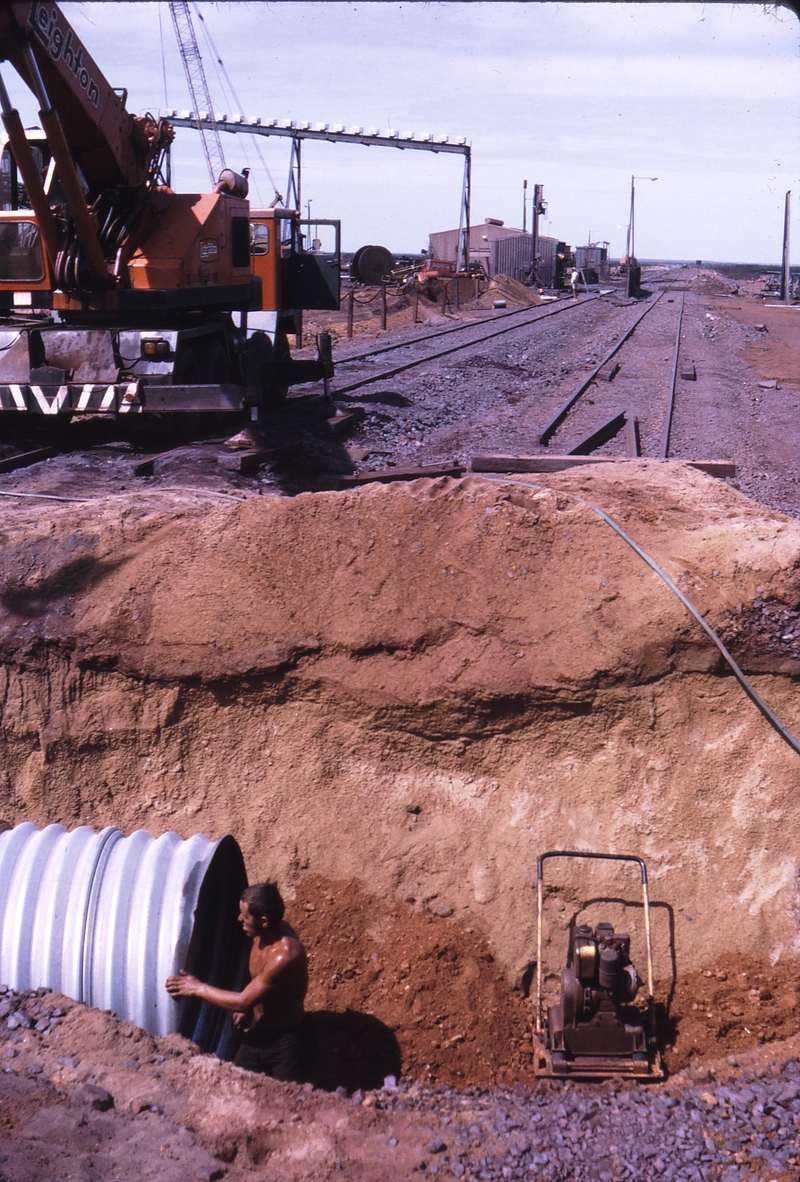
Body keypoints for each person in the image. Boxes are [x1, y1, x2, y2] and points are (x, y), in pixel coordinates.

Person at [165, 881, 317, 1083]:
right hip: (257, 1034)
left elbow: (242, 1001)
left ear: (263, 921)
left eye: (245, 916)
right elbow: (259, 985)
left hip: (285, 1043)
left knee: (288, 1105)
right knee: (236, 1088)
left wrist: (197, 987)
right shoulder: (260, 935)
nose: (239, 919)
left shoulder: (284, 956)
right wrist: (251, 1006)